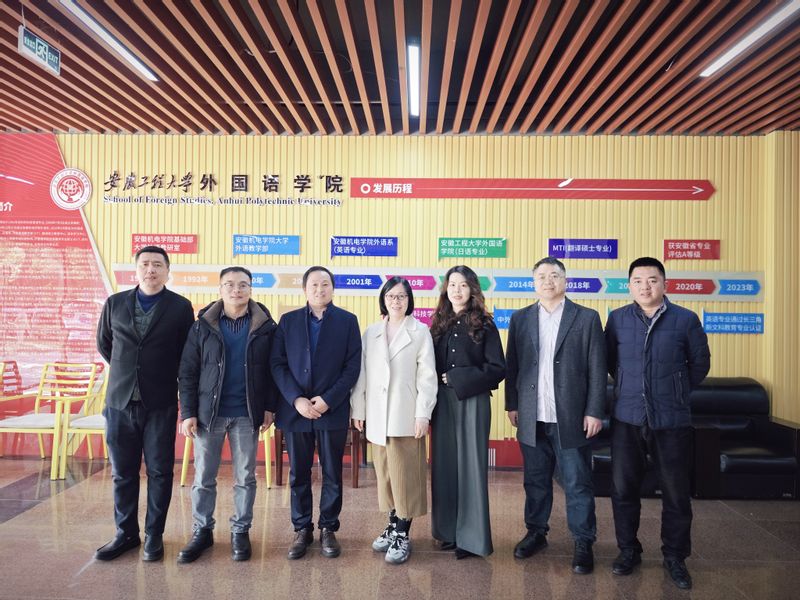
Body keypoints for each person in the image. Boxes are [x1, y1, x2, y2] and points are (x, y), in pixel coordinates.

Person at [605, 257, 710, 590]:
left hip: (671, 419)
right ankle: (628, 550)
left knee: (676, 492)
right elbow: (609, 362)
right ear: (629, 286)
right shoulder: (618, 319)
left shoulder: (685, 319)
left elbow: (700, 364)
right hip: (627, 417)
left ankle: (675, 557)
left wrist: (675, 390)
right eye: (638, 281)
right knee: (623, 489)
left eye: (652, 280)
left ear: (665, 284)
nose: (645, 286)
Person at [505, 257, 606, 574]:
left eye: (554, 276)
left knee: (577, 482)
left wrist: (594, 411)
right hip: (532, 414)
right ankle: (536, 532)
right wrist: (512, 405)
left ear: (565, 280)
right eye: (541, 276)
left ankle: (583, 541)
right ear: (533, 282)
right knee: (535, 481)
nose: (547, 281)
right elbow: (512, 366)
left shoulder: (586, 318)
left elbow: (597, 369)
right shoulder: (520, 319)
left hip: (571, 416)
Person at [94, 246, 195, 561]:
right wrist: (130, 371)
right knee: (122, 472)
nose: (151, 270)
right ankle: (125, 534)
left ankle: (154, 535)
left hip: (160, 403)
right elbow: (105, 343)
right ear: (136, 270)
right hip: (119, 402)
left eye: (157, 265)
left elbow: (186, 354)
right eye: (145, 264)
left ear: (167, 271)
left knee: (160, 471)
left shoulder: (180, 307)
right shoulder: (115, 303)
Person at [176, 267, 278, 563]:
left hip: (247, 414)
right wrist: (188, 412)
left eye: (243, 285)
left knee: (245, 477)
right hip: (209, 415)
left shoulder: (265, 326)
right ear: (220, 289)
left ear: (251, 289)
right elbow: (188, 371)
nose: (236, 290)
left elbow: (274, 370)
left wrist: (269, 407)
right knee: (203, 476)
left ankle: (240, 531)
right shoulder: (202, 326)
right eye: (230, 285)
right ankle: (202, 530)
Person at [270, 266, 361, 559]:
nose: (319, 289)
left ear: (333, 288)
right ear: (304, 289)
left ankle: (328, 528)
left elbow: (352, 367)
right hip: (295, 411)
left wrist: (329, 399)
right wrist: (296, 399)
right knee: (299, 472)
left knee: (332, 472)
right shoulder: (288, 321)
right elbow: (277, 364)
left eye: (325, 284)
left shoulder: (348, 321)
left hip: (331, 411)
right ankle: (302, 529)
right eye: (314, 285)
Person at [351, 277, 438, 565]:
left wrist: (423, 414)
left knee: (406, 478)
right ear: (383, 300)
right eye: (391, 296)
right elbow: (361, 375)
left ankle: (402, 533)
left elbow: (427, 378)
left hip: (406, 416)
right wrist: (359, 409)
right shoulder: (372, 332)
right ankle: (391, 526)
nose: (396, 301)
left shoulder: (420, 331)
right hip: (378, 417)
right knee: (386, 477)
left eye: (401, 296)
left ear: (409, 300)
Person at [429, 265, 505, 559]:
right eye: (452, 285)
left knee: (471, 468)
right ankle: (447, 532)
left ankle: (472, 539)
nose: (456, 290)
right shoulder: (439, 323)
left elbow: (497, 368)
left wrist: (457, 377)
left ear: (472, 289)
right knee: (444, 466)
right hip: (442, 403)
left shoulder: (484, 323)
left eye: (462, 285)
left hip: (472, 400)